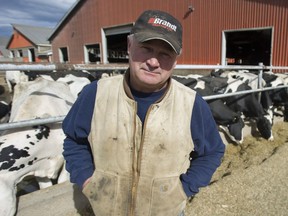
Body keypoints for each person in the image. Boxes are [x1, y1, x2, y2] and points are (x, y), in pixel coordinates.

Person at [62, 10, 225, 216]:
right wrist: (87, 179)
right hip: (108, 210)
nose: (154, 62)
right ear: (130, 45)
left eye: (165, 54)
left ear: (176, 59)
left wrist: (184, 189)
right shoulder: (96, 94)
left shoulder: (192, 104)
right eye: (146, 48)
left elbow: (213, 151)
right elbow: (74, 140)